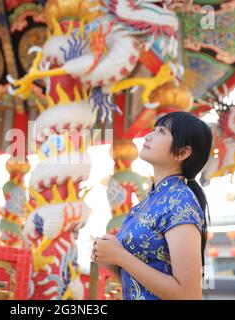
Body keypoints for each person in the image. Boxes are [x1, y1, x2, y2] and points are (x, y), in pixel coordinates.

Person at [91, 111, 213, 300]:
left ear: (182, 152)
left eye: (161, 132)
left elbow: (188, 295)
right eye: (154, 130)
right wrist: (111, 260)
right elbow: (140, 282)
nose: (148, 136)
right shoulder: (146, 204)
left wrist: (121, 256)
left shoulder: (180, 202)